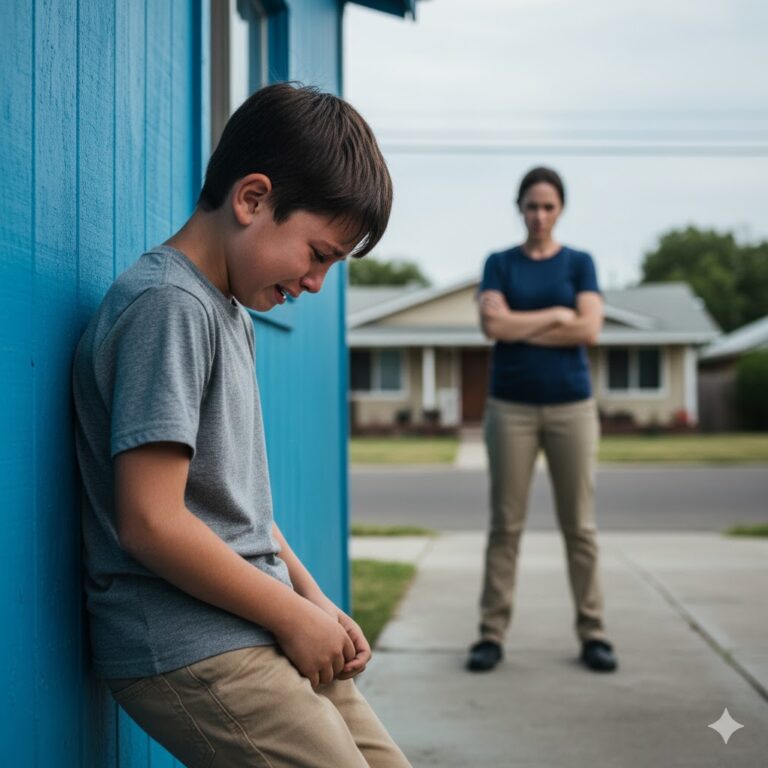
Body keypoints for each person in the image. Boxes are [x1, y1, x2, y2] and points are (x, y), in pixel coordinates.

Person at [73, 83, 411, 767]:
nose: (315, 283)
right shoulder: (169, 307)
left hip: (256, 621)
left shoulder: (227, 314)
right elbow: (151, 522)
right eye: (318, 254)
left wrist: (314, 601)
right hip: (192, 641)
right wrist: (290, 615)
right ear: (252, 199)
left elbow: (238, 508)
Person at [466, 166, 618, 674]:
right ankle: (491, 634)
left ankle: (593, 632)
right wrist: (556, 315)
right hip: (509, 408)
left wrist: (518, 323)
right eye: (531, 206)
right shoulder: (499, 263)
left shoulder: (580, 263)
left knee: (580, 527)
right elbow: (492, 326)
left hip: (572, 407)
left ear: (561, 210)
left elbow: (589, 330)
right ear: (520, 208)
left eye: (548, 206)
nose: (539, 215)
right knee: (505, 527)